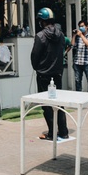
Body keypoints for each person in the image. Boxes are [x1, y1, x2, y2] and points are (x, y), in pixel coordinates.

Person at [30, 8, 69, 140]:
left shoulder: (40, 36)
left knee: (46, 105)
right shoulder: (61, 35)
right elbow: (63, 50)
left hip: (43, 75)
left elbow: (35, 55)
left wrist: (37, 67)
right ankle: (63, 131)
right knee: (59, 103)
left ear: (42, 21)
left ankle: (52, 133)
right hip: (57, 73)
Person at [71, 20, 88, 92]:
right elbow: (72, 45)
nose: (81, 28)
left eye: (82, 26)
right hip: (77, 62)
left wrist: (81, 35)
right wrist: (74, 35)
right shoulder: (78, 37)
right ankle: (79, 97)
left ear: (87, 27)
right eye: (80, 26)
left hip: (87, 62)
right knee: (77, 81)